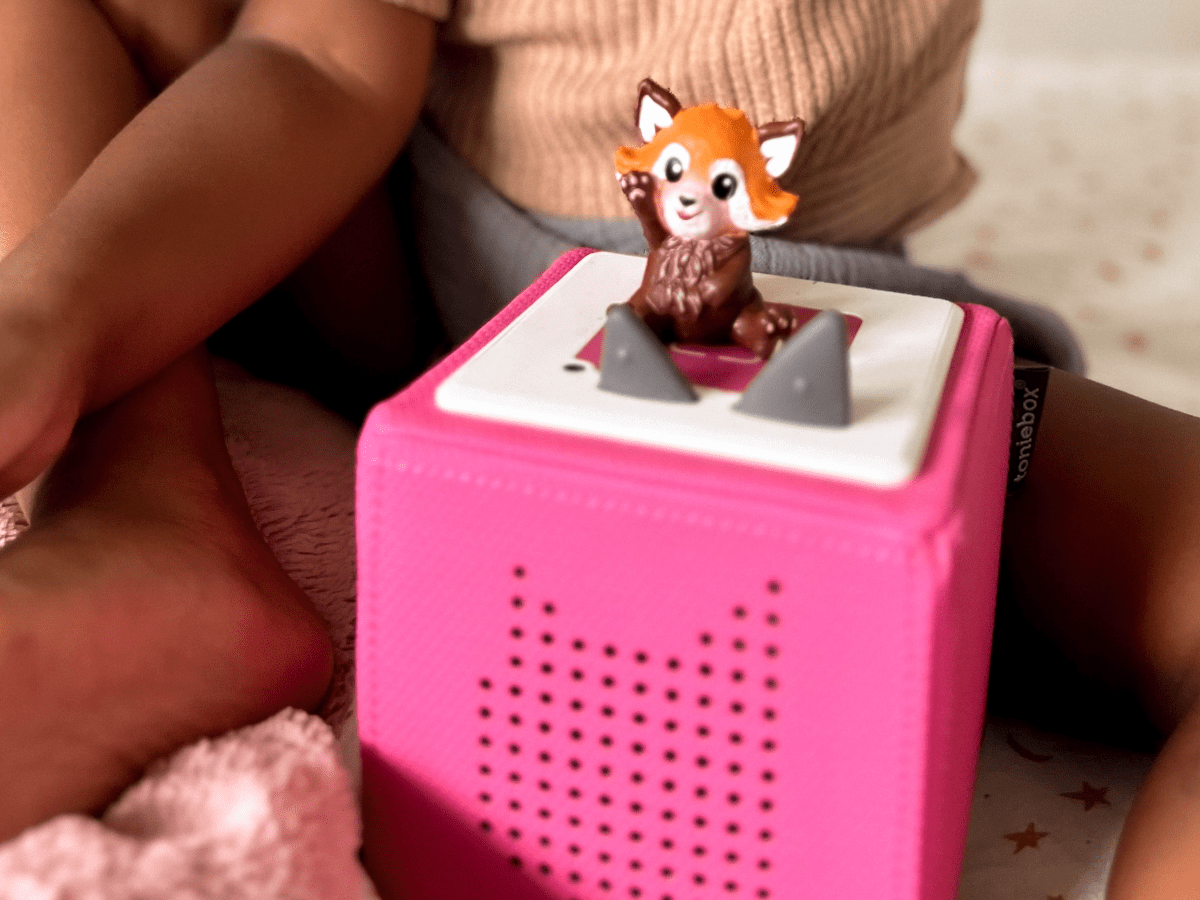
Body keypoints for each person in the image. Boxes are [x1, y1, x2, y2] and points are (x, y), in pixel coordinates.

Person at [0, 1, 1196, 897]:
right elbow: (320, 57)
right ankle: (141, 490)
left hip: (833, 349)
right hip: (404, 274)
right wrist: (46, 312)